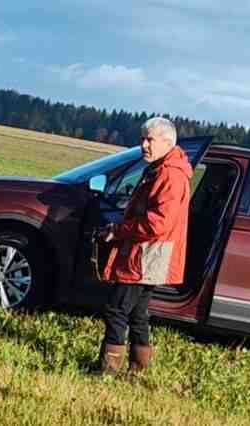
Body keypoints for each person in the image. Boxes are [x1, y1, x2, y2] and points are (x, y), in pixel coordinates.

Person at [96, 117, 192, 377]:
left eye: (150, 139)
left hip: (147, 253)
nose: (144, 145)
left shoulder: (170, 175)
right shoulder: (162, 169)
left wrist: (117, 231)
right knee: (138, 312)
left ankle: (108, 372)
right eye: (142, 139)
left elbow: (157, 224)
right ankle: (138, 371)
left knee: (116, 309)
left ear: (168, 142)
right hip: (150, 253)